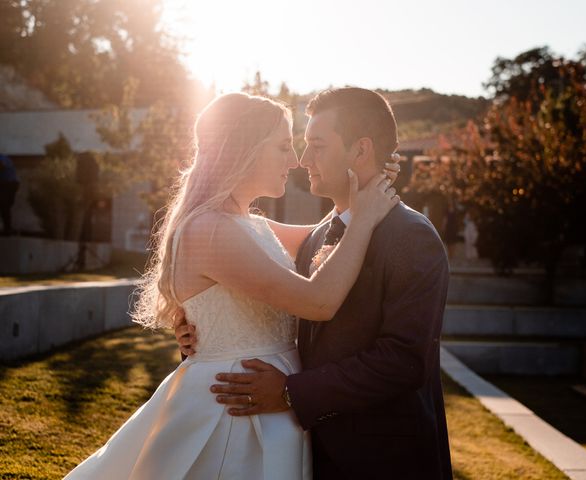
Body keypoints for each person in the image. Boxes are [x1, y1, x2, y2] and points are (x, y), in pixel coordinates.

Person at [64, 92, 399, 480]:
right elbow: (319, 302)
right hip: (232, 410)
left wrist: (371, 182)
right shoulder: (210, 231)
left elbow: (325, 235)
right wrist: (365, 217)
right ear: (245, 149)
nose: (294, 161)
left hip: (268, 402)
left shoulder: (251, 225)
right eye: (283, 147)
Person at [177, 88, 453, 479]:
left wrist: (292, 392)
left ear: (360, 151)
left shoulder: (411, 237)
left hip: (383, 461)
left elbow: (404, 360)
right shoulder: (315, 236)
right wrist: (203, 331)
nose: (303, 160)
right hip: (306, 453)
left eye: (316, 146)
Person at [0, 154, 20, 236]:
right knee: (4, 206)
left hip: (9, 184)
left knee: (4, 206)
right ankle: (7, 229)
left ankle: (8, 230)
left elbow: (2, 166)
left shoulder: (2, 158)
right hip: (7, 184)